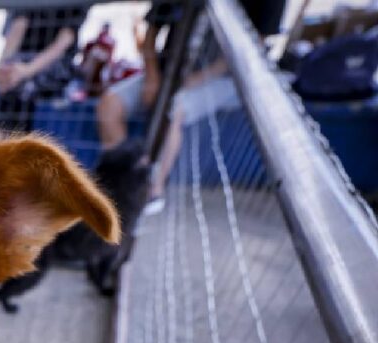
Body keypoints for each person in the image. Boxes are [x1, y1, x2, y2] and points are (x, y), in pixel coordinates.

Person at [96, 0, 286, 212]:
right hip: (167, 71)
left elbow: (256, 43)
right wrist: (152, 77)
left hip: (226, 77)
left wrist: (198, 77)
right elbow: (151, 28)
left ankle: (150, 191)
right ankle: (120, 179)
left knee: (173, 109)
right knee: (109, 105)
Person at [0, 7, 88, 133]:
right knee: (10, 81)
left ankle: (7, 142)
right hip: (20, 65)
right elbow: (18, 27)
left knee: (24, 88)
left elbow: (62, 43)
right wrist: (3, 66)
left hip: (55, 67)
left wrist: (25, 71)